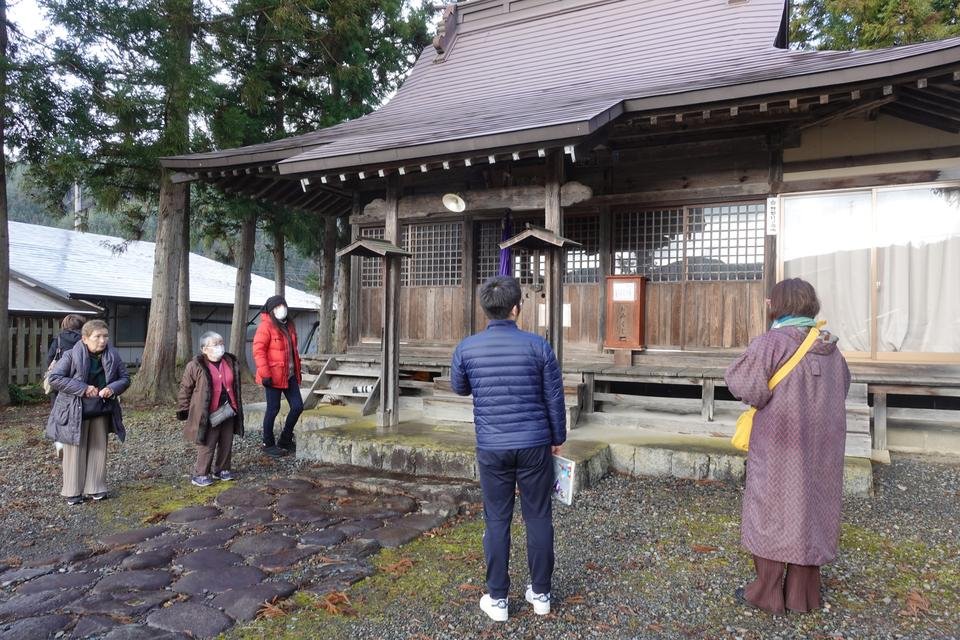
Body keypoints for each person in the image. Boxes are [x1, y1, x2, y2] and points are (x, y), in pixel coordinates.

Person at [724, 278, 851, 615]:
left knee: (770, 511)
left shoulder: (771, 343)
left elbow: (745, 386)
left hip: (780, 445)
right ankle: (802, 597)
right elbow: (844, 388)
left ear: (776, 305)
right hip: (822, 447)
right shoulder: (830, 348)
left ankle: (766, 592)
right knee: (813, 509)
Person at [450, 275, 566, 622]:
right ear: (516, 308)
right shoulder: (539, 346)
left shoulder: (467, 348)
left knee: (497, 519)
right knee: (538, 516)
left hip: (492, 446)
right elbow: (554, 397)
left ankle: (498, 599)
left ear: (486, 308)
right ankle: (541, 594)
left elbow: (459, 387)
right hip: (534, 444)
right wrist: (557, 438)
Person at [45, 319, 130, 506]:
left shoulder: (113, 355)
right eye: (97, 336)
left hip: (101, 408)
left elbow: (125, 378)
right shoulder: (70, 355)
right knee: (75, 450)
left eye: (105, 336)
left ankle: (96, 487)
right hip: (74, 409)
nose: (102, 340)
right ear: (85, 339)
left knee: (98, 448)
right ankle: (72, 492)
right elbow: (55, 379)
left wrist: (113, 388)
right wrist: (83, 388)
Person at [176, 331, 244, 487]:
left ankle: (222, 469)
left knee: (227, 440)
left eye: (221, 343)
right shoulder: (195, 365)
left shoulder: (230, 361)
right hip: (208, 411)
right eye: (215, 344)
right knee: (208, 442)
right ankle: (200, 473)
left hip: (228, 409)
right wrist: (184, 409)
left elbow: (235, 386)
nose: (220, 347)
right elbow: (185, 388)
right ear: (204, 349)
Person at [253, 295, 303, 457]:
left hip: (289, 375)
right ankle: (268, 443)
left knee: (297, 406)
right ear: (270, 310)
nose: (280, 309)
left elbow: (293, 352)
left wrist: (297, 372)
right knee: (273, 409)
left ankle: (285, 440)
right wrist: (265, 374)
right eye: (276, 307)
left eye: (282, 306)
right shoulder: (265, 326)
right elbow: (258, 351)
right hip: (272, 376)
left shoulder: (289, 325)